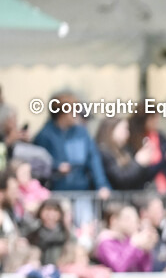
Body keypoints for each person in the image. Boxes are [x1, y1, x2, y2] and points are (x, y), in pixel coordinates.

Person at [32, 92, 111, 226]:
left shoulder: (82, 132)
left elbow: (93, 159)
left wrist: (102, 185)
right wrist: (56, 167)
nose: (77, 114)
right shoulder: (45, 135)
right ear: (61, 113)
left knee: (86, 227)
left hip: (81, 191)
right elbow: (38, 163)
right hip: (57, 193)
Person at [128, 112, 166, 194]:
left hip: (165, 187)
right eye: (153, 118)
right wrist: (165, 158)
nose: (157, 121)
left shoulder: (161, 137)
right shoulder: (135, 140)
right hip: (146, 190)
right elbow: (143, 173)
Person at [96, 117, 158, 191]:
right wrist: (138, 163)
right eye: (124, 129)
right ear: (111, 130)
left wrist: (145, 163)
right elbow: (120, 181)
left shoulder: (126, 151)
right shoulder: (103, 152)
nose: (127, 133)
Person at [94, 202, 156, 272]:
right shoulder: (105, 243)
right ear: (114, 220)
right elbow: (118, 268)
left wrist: (146, 251)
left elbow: (144, 270)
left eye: (135, 219)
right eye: (127, 218)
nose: (133, 222)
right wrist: (133, 244)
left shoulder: (128, 240)